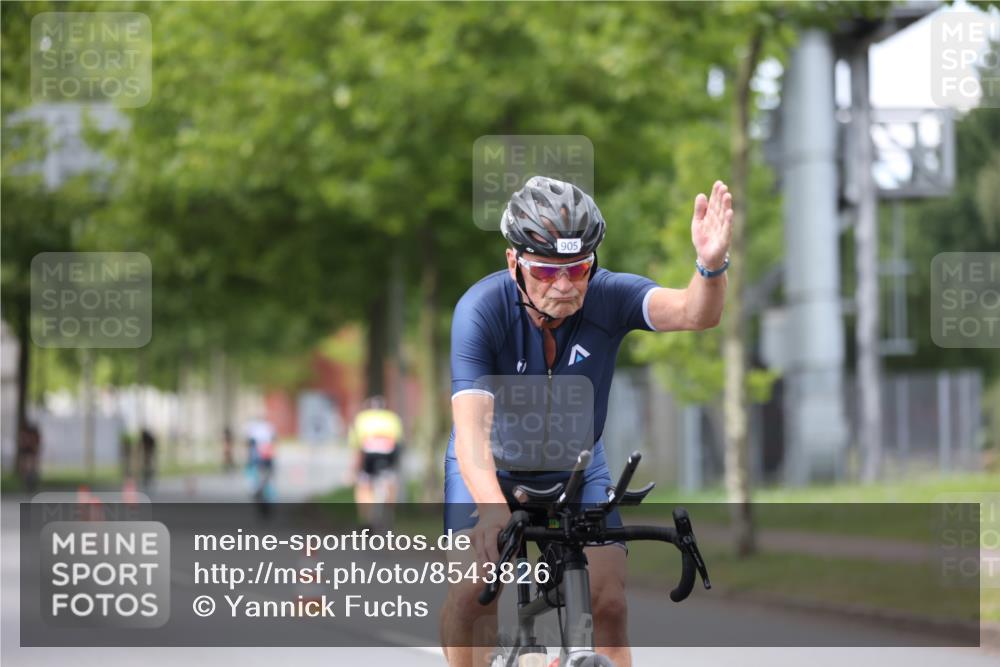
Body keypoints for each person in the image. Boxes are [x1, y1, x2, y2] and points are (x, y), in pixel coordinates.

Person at [440, 175, 733, 667]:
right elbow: (470, 433)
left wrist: (709, 265)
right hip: (491, 468)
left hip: (578, 468)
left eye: (577, 270)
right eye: (546, 271)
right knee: (475, 595)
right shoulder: (481, 311)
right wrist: (493, 510)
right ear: (514, 263)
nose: (565, 285)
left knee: (610, 602)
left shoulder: (607, 295)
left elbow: (693, 313)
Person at [348, 395, 403, 529]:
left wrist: (354, 470)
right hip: (389, 455)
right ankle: (390, 512)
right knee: (391, 481)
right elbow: (399, 443)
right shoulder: (393, 418)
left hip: (368, 456)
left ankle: (366, 519)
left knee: (363, 485)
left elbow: (357, 447)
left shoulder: (361, 418)